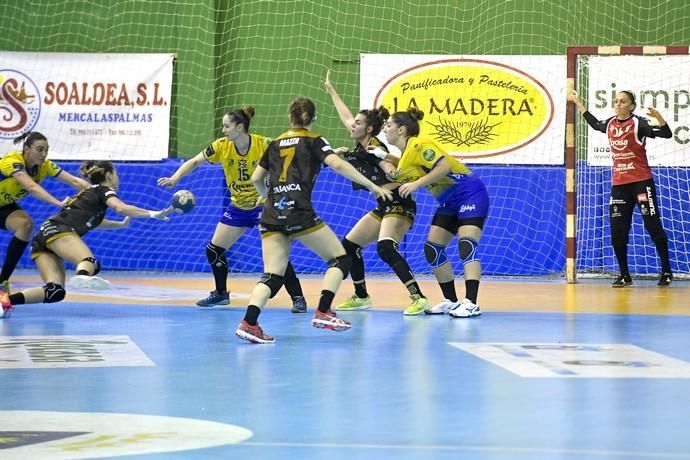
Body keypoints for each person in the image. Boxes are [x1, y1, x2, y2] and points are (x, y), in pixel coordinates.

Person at [235, 97, 393, 344]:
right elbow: (337, 165)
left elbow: (257, 177)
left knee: (273, 276)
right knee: (340, 259)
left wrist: (268, 197)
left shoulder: (275, 142)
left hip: (271, 213)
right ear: (313, 118)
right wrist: (373, 185)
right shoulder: (315, 140)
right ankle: (323, 311)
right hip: (298, 209)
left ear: (290, 118)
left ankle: (249, 323)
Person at [158, 107, 308, 312]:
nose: (223, 130)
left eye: (227, 126)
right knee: (214, 250)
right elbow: (194, 161)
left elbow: (294, 157)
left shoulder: (263, 144)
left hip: (262, 206)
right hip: (238, 206)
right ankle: (221, 294)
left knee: (277, 254)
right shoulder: (221, 146)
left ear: (240, 127)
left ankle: (298, 298)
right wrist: (175, 178)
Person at [0, 160, 171, 318]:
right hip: (59, 231)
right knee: (90, 262)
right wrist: (154, 214)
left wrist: (120, 225)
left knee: (55, 292)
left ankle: (4, 302)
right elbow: (120, 207)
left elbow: (94, 221)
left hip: (42, 238)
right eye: (116, 174)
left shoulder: (87, 193)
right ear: (109, 175)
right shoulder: (103, 190)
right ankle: (82, 276)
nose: (118, 179)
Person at [322, 70, 431, 315]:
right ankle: (361, 296)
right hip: (383, 205)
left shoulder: (375, 148)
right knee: (349, 246)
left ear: (369, 129)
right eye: (354, 123)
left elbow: (390, 168)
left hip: (398, 202)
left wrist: (392, 170)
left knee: (385, 248)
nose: (352, 126)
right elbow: (347, 116)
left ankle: (419, 297)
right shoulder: (360, 142)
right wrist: (331, 90)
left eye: (358, 124)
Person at [383, 108, 490, 318]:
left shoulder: (420, 145)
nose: (385, 129)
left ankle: (471, 302)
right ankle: (451, 300)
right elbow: (399, 172)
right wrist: (381, 157)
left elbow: (443, 166)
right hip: (448, 202)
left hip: (470, 194)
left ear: (402, 130)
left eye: (388, 125)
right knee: (433, 249)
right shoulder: (405, 156)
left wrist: (416, 185)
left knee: (466, 244)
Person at [568, 90, 674, 287]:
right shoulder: (609, 123)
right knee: (617, 232)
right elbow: (594, 124)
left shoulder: (639, 123)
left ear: (631, 106)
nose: (618, 104)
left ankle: (666, 270)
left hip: (641, 182)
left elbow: (667, 134)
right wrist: (579, 103)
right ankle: (624, 275)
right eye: (616, 101)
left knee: (653, 227)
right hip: (619, 185)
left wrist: (659, 117)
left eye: (622, 101)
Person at [0, 131, 90, 293]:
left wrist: (101, 192)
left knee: (25, 225)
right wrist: (58, 203)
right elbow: (31, 187)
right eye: (39, 149)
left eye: (46, 150)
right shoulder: (12, 161)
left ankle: (2, 281)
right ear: (26, 149)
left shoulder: (45, 166)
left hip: (2, 204)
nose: (44, 154)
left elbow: (74, 181)